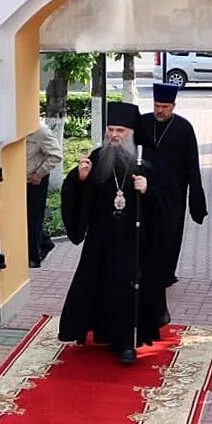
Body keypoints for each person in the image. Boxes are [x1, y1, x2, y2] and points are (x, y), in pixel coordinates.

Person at [58, 101, 170, 365]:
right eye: (110, 129)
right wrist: (81, 179)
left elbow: (168, 199)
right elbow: (76, 194)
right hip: (102, 239)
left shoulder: (147, 161)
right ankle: (101, 332)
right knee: (98, 286)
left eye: (120, 130)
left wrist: (148, 190)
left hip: (134, 241)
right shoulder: (98, 158)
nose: (114, 135)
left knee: (128, 290)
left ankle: (126, 343)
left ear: (131, 132)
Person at [140, 82, 207, 286]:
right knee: (145, 232)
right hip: (145, 190)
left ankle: (166, 274)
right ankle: (143, 272)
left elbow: (193, 166)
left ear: (173, 106)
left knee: (169, 235)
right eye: (157, 105)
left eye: (164, 107)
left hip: (174, 194)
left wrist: (196, 200)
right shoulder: (142, 123)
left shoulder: (184, 128)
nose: (159, 110)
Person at [26, 122, 63, 268]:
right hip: (23, 179)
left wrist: (40, 173)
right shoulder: (20, 128)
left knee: (34, 218)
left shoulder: (40, 131)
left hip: (36, 180)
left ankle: (34, 257)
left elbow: (56, 155)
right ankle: (45, 243)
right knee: (26, 218)